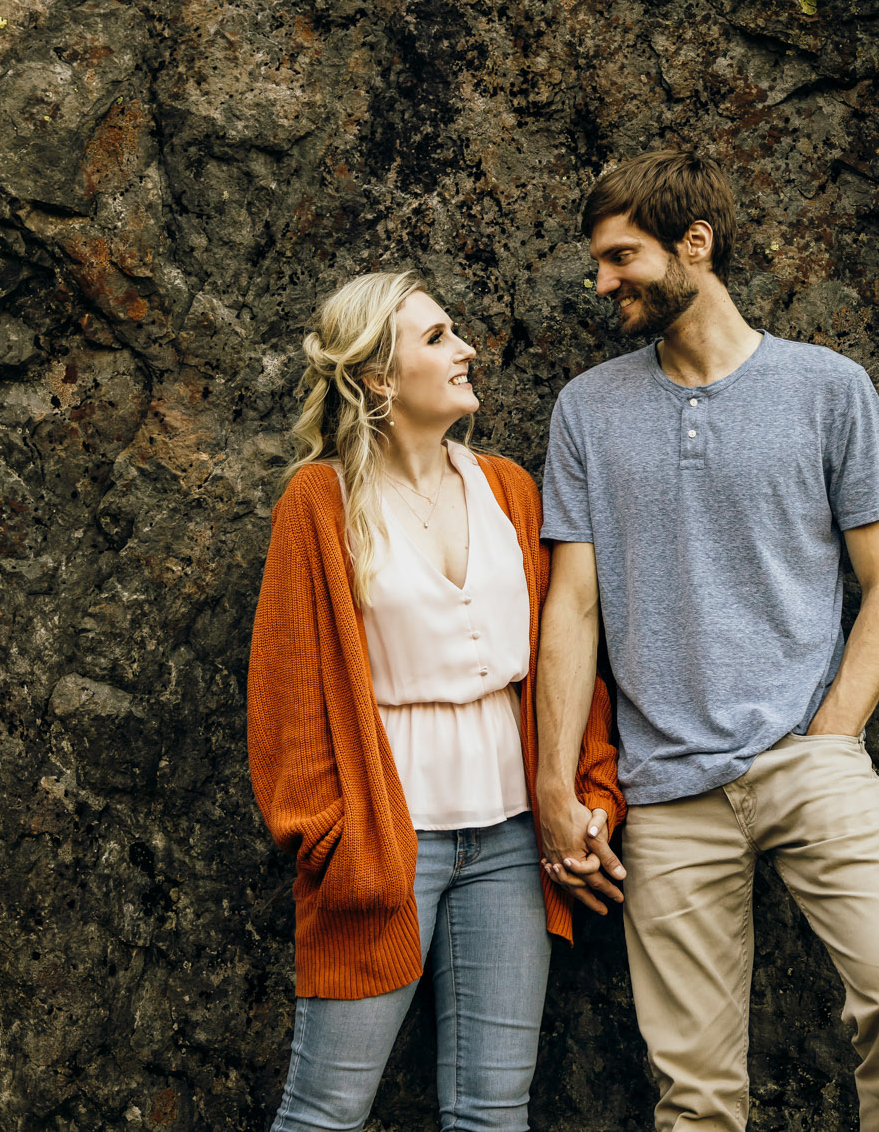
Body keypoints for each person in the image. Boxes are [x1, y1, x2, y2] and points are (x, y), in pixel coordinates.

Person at [532, 150, 879, 1131]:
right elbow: (570, 609)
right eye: (597, 261)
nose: (601, 282)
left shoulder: (826, 388)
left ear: (695, 243)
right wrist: (556, 792)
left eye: (619, 256)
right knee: (695, 1100)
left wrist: (832, 731)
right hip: (667, 790)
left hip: (809, 763)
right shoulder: (584, 411)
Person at [245, 271, 622, 1132]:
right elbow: (286, 692)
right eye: (438, 337)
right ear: (379, 377)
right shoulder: (320, 500)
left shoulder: (509, 489)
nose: (466, 350)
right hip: (383, 848)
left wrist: (588, 797)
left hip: (513, 846)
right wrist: (329, 842)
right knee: (324, 1113)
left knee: (493, 1115)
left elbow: (564, 664)